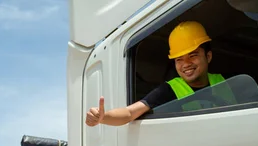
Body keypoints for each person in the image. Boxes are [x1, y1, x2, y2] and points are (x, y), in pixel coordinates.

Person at [86, 21, 234, 127]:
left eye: (193, 55)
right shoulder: (169, 90)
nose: (186, 64)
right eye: (179, 59)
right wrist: (103, 117)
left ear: (208, 56)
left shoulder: (228, 82)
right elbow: (130, 113)